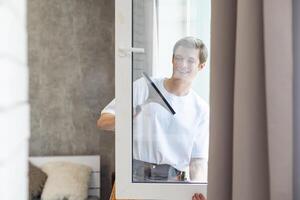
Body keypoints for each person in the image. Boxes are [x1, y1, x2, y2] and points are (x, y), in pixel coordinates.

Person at [98, 36, 209, 182]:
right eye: (179, 58)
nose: (183, 64)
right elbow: (102, 122)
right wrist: (126, 117)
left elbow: (197, 161)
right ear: (172, 60)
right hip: (134, 180)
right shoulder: (144, 86)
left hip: (174, 185)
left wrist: (198, 190)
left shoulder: (200, 108)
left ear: (201, 66)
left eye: (190, 61)